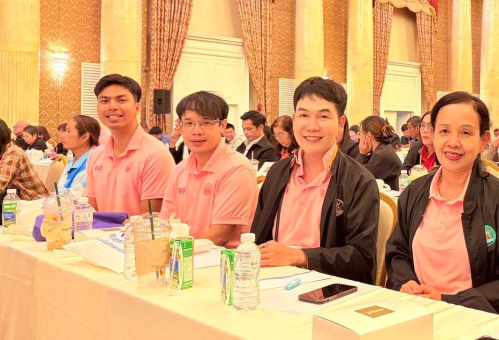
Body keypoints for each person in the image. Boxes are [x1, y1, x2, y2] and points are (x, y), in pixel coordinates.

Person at [385, 91, 499, 318]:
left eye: (465, 132)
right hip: (414, 314)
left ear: (483, 140)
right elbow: (397, 253)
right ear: (432, 135)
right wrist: (404, 282)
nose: (453, 142)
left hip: (473, 320)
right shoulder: (415, 193)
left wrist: (448, 301)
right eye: (444, 131)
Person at [251, 77, 379, 284]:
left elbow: (362, 259)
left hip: (327, 287)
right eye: (304, 115)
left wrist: (301, 257)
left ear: (340, 124)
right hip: (271, 282)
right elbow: (257, 238)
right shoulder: (277, 173)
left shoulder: (359, 181)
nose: (312, 126)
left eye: (323, 116)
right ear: (294, 119)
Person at [161, 92, 258, 247]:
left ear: (222, 126)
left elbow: (220, 236)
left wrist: (178, 252)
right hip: (180, 257)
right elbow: (165, 222)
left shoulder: (237, 169)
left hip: (221, 259)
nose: (197, 131)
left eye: (206, 123)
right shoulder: (179, 170)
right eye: (189, 123)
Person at [85, 74, 175, 215]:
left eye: (121, 100)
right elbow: (92, 214)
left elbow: (149, 222)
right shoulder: (96, 155)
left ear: (137, 108)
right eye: (104, 101)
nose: (112, 107)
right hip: (100, 230)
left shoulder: (156, 155)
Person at [0, 119, 48, 200]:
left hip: (32, 200)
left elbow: (1, 182)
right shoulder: (4, 150)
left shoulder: (13, 152)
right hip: (16, 199)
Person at [56, 115, 101, 197]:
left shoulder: (90, 164)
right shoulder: (74, 161)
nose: (62, 136)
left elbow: (76, 200)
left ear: (84, 137)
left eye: (68, 131)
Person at [357, 116, 402, 190]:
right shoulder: (384, 148)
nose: (359, 138)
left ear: (368, 136)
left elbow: (358, 179)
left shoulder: (380, 155)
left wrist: (362, 153)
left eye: (361, 134)